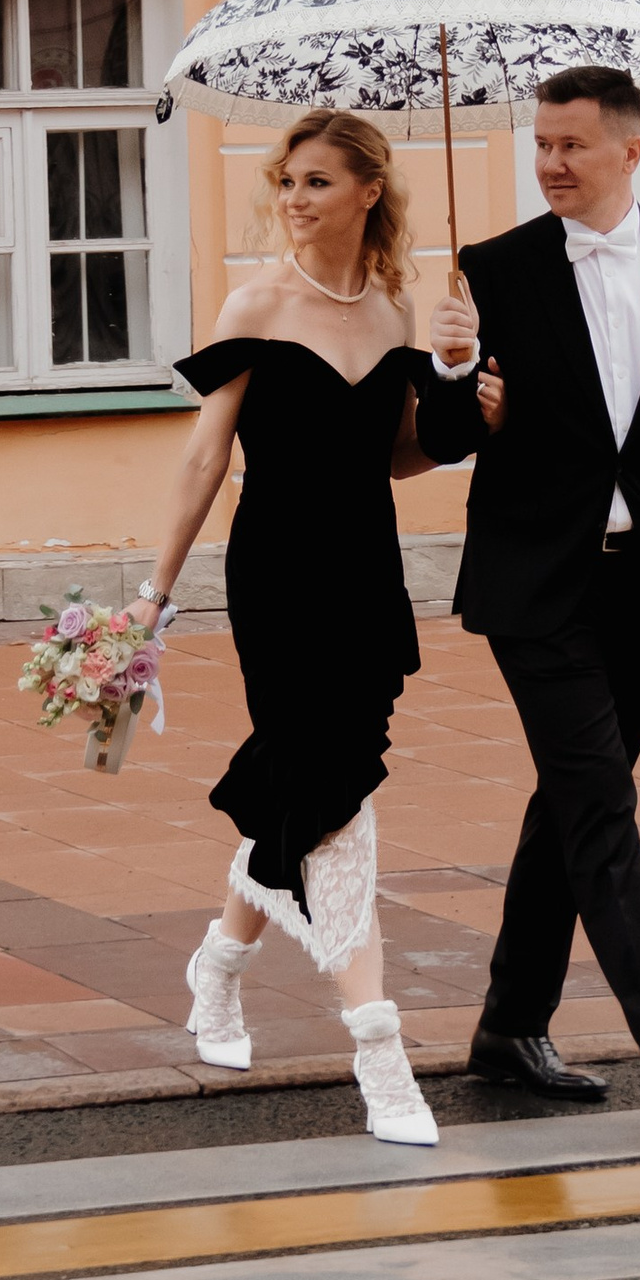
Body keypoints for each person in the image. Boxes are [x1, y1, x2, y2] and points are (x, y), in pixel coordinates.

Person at [416, 62, 640, 1112]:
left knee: (572, 797)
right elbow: (448, 436)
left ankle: (510, 1024)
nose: (550, 162)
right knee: (599, 795)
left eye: (570, 145)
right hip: (537, 583)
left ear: (628, 151)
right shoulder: (493, 269)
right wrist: (461, 375)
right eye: (541, 145)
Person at [138, 107, 442, 1146]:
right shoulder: (256, 303)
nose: (296, 198)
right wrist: (153, 592)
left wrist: (462, 393)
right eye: (287, 181)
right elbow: (203, 458)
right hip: (276, 575)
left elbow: (398, 456)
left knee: (316, 772)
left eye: (317, 181)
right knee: (333, 791)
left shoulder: (399, 313)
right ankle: (378, 1044)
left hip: (367, 574)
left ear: (367, 192)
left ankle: (219, 965)